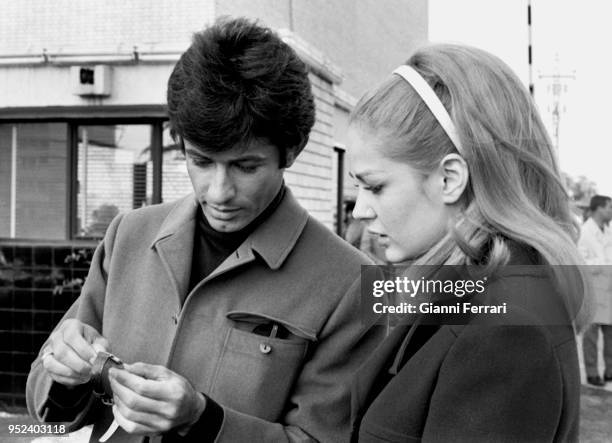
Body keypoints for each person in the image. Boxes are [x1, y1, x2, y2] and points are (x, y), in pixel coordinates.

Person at [26, 17, 383, 442]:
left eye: (245, 166)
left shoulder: (354, 286)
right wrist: (64, 375)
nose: (219, 192)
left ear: (292, 151)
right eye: (200, 161)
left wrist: (204, 420)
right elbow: (46, 413)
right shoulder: (128, 236)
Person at [347, 44, 589, 442]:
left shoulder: (506, 331)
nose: (360, 211)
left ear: (449, 179)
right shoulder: (475, 291)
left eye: (374, 186)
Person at [578, 194, 612, 386]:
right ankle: (592, 373)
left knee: (610, 335)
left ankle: (610, 371)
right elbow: (580, 263)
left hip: (609, 291)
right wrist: (605, 265)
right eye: (609, 207)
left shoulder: (609, 231)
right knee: (590, 336)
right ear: (599, 208)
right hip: (592, 290)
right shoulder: (584, 232)